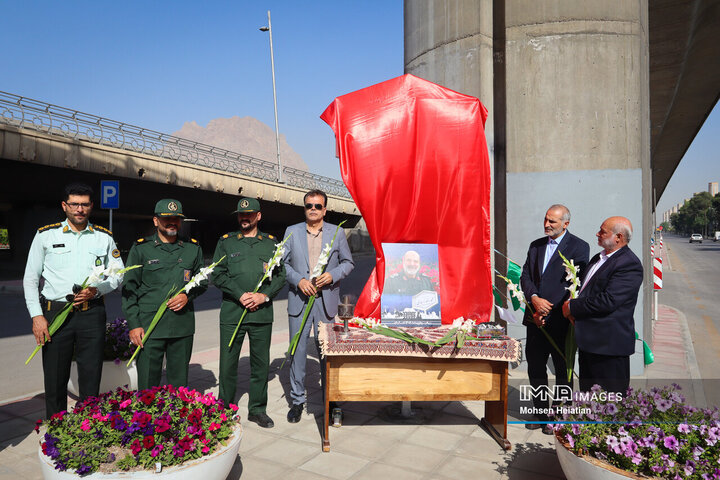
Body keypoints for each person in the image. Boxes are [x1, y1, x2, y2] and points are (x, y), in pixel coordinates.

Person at [23, 182, 124, 418]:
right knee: (55, 377)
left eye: (85, 204)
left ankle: (88, 428)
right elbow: (30, 279)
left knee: (91, 375)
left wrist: (97, 290)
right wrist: (37, 316)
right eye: (74, 204)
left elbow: (118, 274)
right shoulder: (46, 235)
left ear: (91, 207)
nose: (79, 209)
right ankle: (56, 431)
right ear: (64, 206)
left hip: (92, 313)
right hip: (55, 313)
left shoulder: (104, 237)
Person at [211, 198, 286, 428]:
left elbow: (281, 276)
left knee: (260, 364)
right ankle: (223, 409)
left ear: (258, 216)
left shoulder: (272, 244)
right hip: (233, 312)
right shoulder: (226, 243)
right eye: (241, 215)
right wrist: (239, 294)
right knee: (227, 365)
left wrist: (263, 296)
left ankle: (257, 409)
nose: (245, 218)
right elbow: (217, 274)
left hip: (261, 314)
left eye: (250, 214)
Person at [282, 189, 354, 423]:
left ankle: (332, 400)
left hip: (326, 303)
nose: (312, 209)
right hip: (300, 302)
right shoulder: (291, 232)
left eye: (317, 206)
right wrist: (298, 280)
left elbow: (348, 263)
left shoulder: (337, 232)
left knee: (327, 353)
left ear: (325, 209)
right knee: (298, 351)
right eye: (308, 205)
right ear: (304, 208)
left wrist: (332, 275)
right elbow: (281, 265)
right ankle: (297, 401)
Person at [122, 199, 206, 390]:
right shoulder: (141, 248)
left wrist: (187, 295)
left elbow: (202, 281)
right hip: (149, 327)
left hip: (181, 327)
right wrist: (134, 325)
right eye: (166, 218)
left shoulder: (193, 248)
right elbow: (129, 289)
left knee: (179, 384)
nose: (172, 222)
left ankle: (176, 418)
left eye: (176, 219)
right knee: (148, 383)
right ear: (155, 220)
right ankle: (147, 418)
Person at [520, 204, 589, 434]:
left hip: (560, 321)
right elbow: (526, 276)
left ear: (566, 224)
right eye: (546, 219)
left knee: (563, 371)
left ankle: (558, 416)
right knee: (536, 368)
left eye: (553, 222)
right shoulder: (536, 246)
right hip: (535, 318)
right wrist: (535, 300)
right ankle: (539, 414)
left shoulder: (579, 247)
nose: (547, 224)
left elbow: (573, 284)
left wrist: (547, 311)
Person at [562, 216, 643, 395]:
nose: (597, 234)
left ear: (618, 237)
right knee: (589, 399)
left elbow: (608, 301)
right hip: (589, 343)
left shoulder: (629, 263)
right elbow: (587, 291)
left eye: (603, 231)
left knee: (608, 403)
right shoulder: (598, 258)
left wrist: (572, 307)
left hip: (608, 347)